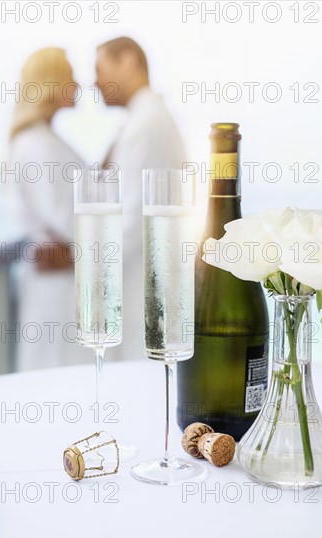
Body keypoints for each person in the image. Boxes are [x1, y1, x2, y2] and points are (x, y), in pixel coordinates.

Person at [95, 37, 187, 361]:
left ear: (129, 61)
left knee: (139, 380)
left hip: (140, 289)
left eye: (100, 69)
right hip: (140, 285)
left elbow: (133, 218)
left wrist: (86, 261)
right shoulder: (143, 120)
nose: (95, 82)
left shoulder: (147, 124)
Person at [8, 47, 90, 371]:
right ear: (51, 81)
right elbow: (69, 221)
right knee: (60, 376)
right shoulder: (37, 145)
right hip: (56, 291)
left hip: (61, 283)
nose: (77, 84)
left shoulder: (44, 140)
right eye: (69, 75)